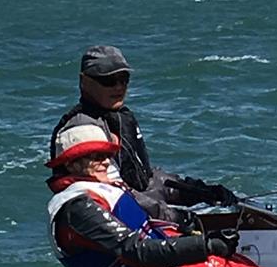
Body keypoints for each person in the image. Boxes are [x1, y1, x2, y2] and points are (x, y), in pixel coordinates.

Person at [46, 124, 276, 267]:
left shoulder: (95, 189)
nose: (106, 161)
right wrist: (206, 246)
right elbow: (136, 251)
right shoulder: (77, 208)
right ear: (71, 163)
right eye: (95, 156)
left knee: (240, 263)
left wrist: (196, 228)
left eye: (106, 154)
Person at [49, 45, 238, 223]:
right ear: (84, 81)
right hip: (119, 228)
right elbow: (118, 194)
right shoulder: (83, 130)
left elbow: (145, 179)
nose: (118, 87)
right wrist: (176, 217)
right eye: (108, 81)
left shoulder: (120, 117)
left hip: (146, 213)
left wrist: (202, 192)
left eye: (124, 79)